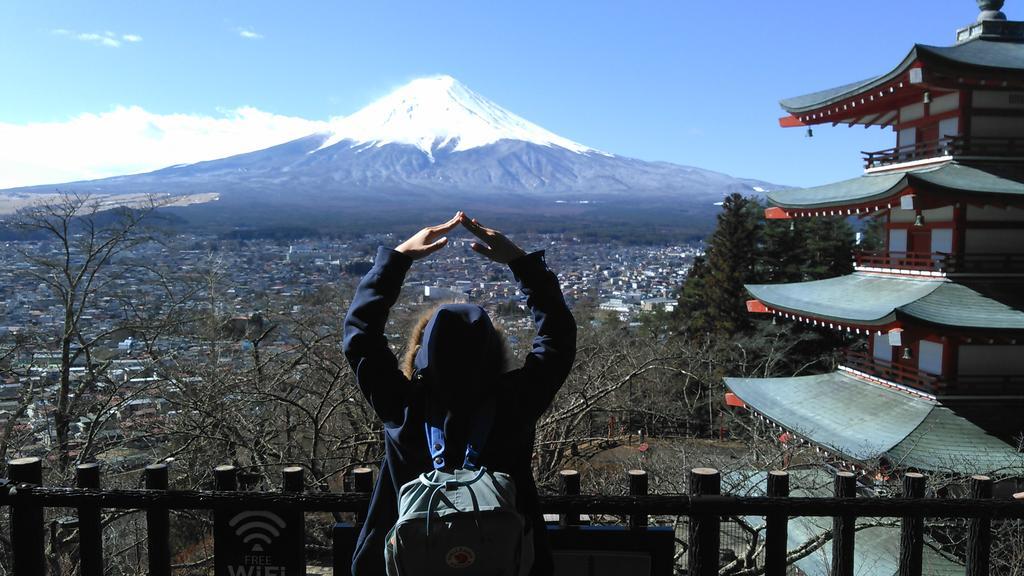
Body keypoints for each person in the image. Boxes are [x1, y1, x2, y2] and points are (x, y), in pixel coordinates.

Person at [343, 211, 577, 576]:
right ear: (493, 352)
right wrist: (520, 263)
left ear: (421, 353)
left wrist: (397, 259)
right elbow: (558, 339)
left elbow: (360, 337)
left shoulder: (403, 407)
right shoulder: (515, 402)